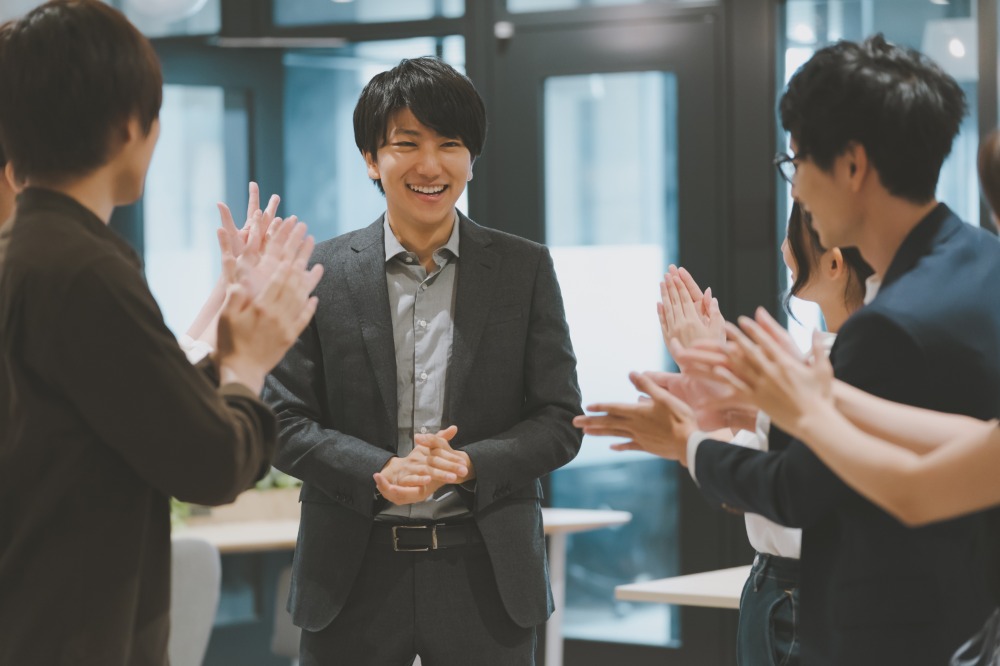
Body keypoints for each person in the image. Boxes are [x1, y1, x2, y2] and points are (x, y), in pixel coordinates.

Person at [575, 35, 1000, 665]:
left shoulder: (890, 325)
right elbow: (963, 439)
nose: (795, 188)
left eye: (796, 161)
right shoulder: (983, 263)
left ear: (853, 167)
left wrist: (689, 439)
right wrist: (769, 401)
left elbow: (807, 489)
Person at [0, 2, 322, 664]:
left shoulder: (26, 253)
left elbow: (132, 413)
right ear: (129, 129)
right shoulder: (85, 269)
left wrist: (226, 334)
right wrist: (248, 366)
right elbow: (206, 464)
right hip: (69, 634)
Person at [264, 56, 582, 666]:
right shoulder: (318, 273)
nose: (430, 165)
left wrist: (469, 464)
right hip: (351, 573)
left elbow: (560, 419)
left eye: (450, 144)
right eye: (406, 144)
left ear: (472, 158)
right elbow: (283, 421)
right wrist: (377, 468)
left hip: (485, 570)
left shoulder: (523, 269)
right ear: (370, 159)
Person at [627, 202, 872, 666]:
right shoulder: (839, 354)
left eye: (793, 235)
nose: (783, 248)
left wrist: (701, 402)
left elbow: (768, 484)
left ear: (835, 263)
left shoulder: (846, 363)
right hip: (785, 589)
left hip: (795, 593)